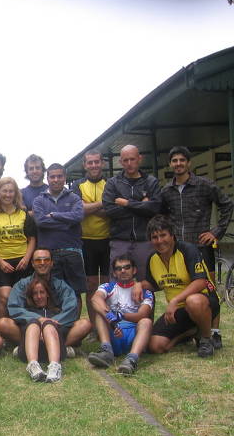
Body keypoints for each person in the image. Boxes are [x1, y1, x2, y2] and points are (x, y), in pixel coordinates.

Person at [161, 145, 233, 349]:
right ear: (170, 164)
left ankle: (215, 333)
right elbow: (162, 216)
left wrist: (216, 232)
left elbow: (227, 204)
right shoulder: (166, 191)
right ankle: (197, 330)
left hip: (201, 247)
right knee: (187, 290)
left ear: (189, 163)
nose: (178, 164)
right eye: (174, 161)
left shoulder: (204, 185)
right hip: (179, 250)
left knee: (210, 290)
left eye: (182, 160)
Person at [141, 215, 219, 358]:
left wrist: (175, 300)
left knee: (193, 301)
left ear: (172, 235)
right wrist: (137, 286)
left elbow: (201, 281)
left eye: (163, 235)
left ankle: (206, 339)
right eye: (154, 237)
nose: (159, 241)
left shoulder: (188, 250)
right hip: (178, 311)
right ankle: (191, 332)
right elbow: (152, 284)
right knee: (154, 345)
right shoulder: (152, 259)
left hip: (204, 303)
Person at [0, 248, 92, 357]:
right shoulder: (22, 285)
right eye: (38, 260)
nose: (42, 263)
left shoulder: (61, 286)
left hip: (57, 328)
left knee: (85, 324)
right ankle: (60, 348)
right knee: (3, 323)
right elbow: (14, 308)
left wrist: (50, 324)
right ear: (32, 264)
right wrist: (39, 320)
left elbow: (71, 309)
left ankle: (27, 348)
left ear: (51, 263)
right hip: (29, 328)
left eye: (46, 260)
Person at [102, 144, 162, 280]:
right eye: (125, 160)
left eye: (132, 159)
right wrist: (143, 205)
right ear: (120, 161)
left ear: (140, 158)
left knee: (146, 281)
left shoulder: (151, 182)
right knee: (116, 283)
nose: (129, 163)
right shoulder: (112, 183)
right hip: (120, 240)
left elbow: (155, 208)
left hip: (145, 240)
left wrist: (127, 203)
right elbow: (110, 210)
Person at [33, 163, 86, 314]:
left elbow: (78, 216)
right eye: (52, 177)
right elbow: (40, 221)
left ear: (65, 177)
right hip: (49, 254)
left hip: (72, 251)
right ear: (47, 178)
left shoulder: (74, 198)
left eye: (59, 176)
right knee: (52, 292)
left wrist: (55, 215)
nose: (56, 180)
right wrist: (67, 223)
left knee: (75, 292)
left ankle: (75, 325)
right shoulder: (39, 200)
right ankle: (56, 325)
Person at [87, 255, 153, 375]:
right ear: (114, 273)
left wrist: (120, 316)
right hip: (113, 332)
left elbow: (143, 314)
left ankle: (131, 359)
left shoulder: (145, 291)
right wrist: (112, 320)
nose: (123, 271)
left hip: (134, 335)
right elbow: (95, 299)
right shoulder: (108, 287)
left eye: (127, 267)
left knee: (146, 322)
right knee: (99, 314)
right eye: (118, 268)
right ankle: (106, 351)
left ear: (134, 270)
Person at [0, 177, 36, 318]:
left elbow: (32, 239)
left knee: (24, 297)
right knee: (4, 296)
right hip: (3, 262)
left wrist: (26, 259)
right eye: (4, 191)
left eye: (11, 191)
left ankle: (22, 327)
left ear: (16, 193)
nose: (8, 194)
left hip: (23, 261)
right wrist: (0, 262)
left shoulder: (23, 213)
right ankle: (3, 329)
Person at [71, 150, 111, 327]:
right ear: (84, 165)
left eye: (97, 162)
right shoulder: (77, 185)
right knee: (91, 285)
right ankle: (95, 327)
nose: (94, 165)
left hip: (108, 239)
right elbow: (79, 210)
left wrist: (89, 207)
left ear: (102, 163)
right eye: (90, 162)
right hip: (86, 241)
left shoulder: (110, 183)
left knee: (108, 285)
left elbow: (113, 211)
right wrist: (103, 203)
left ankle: (109, 324)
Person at [18, 277, 71, 383]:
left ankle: (54, 367)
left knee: (49, 325)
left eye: (42, 292)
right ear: (31, 296)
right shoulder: (27, 312)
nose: (39, 296)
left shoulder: (57, 312)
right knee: (33, 323)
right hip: (30, 350)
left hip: (55, 350)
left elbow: (64, 330)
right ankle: (33, 366)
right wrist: (38, 323)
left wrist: (47, 327)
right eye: (35, 293)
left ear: (47, 294)